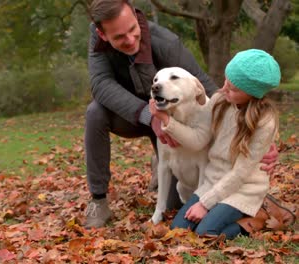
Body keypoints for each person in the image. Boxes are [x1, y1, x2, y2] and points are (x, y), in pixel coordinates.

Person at [84, 0, 279, 229]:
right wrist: (150, 115)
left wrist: (258, 137)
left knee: (175, 204)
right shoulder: (97, 40)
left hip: (175, 120)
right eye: (119, 37)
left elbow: (206, 87)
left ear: (137, 17)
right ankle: (99, 200)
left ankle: (163, 160)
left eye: (132, 30)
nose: (129, 40)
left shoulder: (166, 42)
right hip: (133, 115)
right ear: (102, 34)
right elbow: (100, 85)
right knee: (94, 112)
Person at [150, 49, 294, 239]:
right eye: (226, 81)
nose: (225, 88)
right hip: (213, 182)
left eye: (234, 89)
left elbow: (239, 174)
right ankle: (223, 212)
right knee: (179, 229)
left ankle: (258, 218)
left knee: (205, 233)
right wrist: (166, 120)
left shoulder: (264, 122)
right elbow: (199, 139)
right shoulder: (220, 100)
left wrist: (204, 204)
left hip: (243, 189)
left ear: (253, 95)